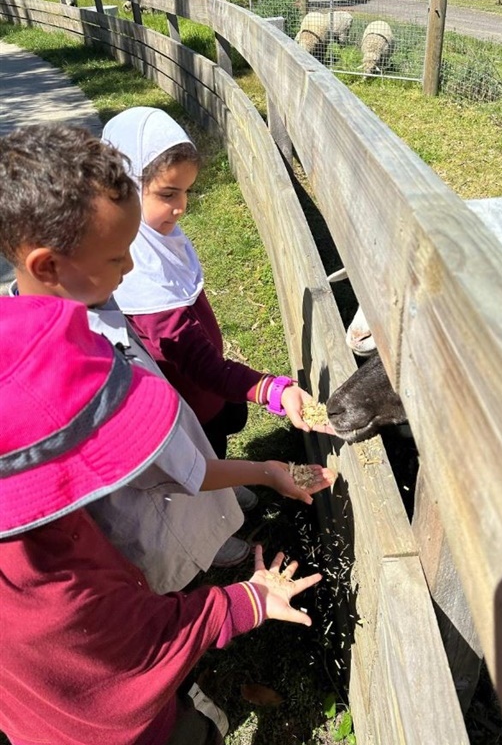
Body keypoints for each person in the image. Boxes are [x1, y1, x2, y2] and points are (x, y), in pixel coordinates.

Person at [0, 123, 334, 596]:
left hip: (170, 467)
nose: (131, 267)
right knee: (171, 567)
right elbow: (182, 471)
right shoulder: (92, 384)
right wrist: (266, 470)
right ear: (48, 266)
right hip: (146, 526)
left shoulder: (70, 302)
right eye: (117, 258)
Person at [0, 295, 323, 745]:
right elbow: (144, 641)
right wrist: (248, 599)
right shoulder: (53, 592)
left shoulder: (34, 534)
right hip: (124, 729)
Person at [103, 107, 332, 458]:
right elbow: (196, 362)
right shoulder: (139, 270)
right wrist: (272, 390)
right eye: (168, 194)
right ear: (128, 185)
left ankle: (226, 481)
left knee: (223, 428)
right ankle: (223, 492)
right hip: (189, 400)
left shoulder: (160, 241)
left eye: (186, 193)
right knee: (207, 451)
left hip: (208, 385)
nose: (181, 207)